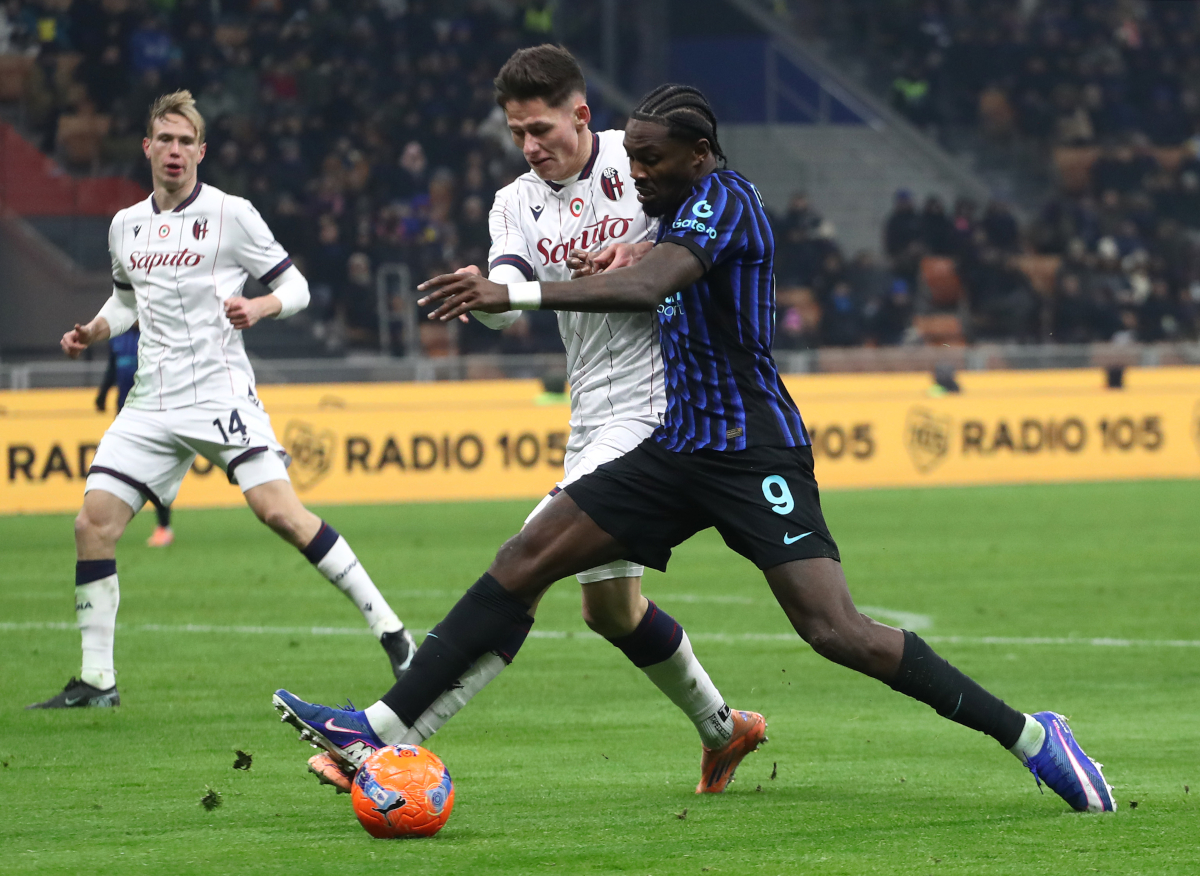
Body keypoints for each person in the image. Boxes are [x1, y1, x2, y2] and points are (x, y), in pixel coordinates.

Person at [274, 85, 1116, 814]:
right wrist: (625, 243)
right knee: (527, 557)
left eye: (651, 159)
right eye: (631, 157)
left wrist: (518, 290)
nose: (635, 173)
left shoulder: (728, 199)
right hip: (676, 451)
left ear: (700, 154)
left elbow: (652, 284)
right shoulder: (670, 205)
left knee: (837, 631)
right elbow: (645, 256)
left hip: (756, 452)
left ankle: (1035, 737)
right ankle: (377, 729)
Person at [306, 45, 762, 797]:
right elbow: (508, 286)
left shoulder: (641, 156)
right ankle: (723, 728)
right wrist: (494, 289)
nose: (530, 146)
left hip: (662, 404)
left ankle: (383, 734)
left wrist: (643, 245)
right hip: (592, 411)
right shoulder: (514, 201)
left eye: (542, 128)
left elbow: (714, 217)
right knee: (611, 610)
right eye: (517, 132)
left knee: (526, 558)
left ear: (582, 116)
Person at [29, 91, 416, 710]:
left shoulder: (232, 214)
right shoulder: (125, 225)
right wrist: (94, 330)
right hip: (151, 403)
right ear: (148, 147)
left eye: (187, 142)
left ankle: (394, 634)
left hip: (220, 395)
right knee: (91, 525)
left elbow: (298, 288)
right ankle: (97, 681)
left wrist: (258, 306)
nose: (176, 151)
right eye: (166, 140)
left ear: (201, 151)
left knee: (282, 515)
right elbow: (126, 300)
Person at [96, 327, 175, 547]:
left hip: (152, 413)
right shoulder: (117, 337)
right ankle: (110, 523)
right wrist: (102, 394)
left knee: (154, 471)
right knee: (118, 468)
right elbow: (113, 367)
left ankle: (164, 527)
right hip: (124, 413)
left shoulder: (156, 333)